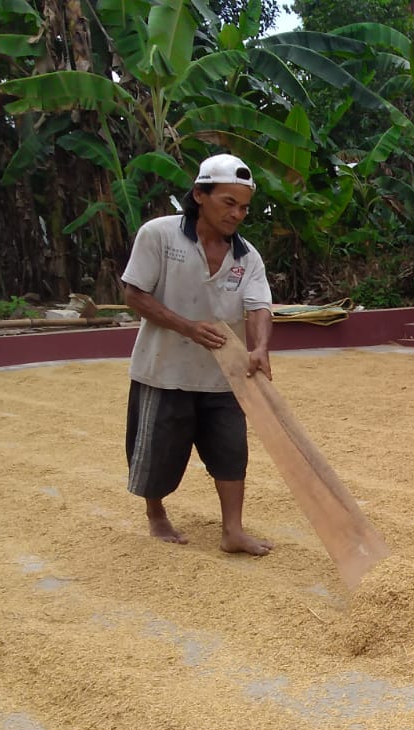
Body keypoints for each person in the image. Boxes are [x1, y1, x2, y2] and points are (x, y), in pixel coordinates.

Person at [121, 153, 274, 555]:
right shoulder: (159, 235)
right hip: (163, 369)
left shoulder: (247, 257)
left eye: (244, 206)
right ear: (199, 195)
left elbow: (258, 306)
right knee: (157, 454)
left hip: (223, 374)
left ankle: (233, 531)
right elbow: (133, 294)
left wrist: (259, 347)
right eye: (228, 202)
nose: (238, 214)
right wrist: (187, 327)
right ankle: (156, 513)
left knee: (231, 452)